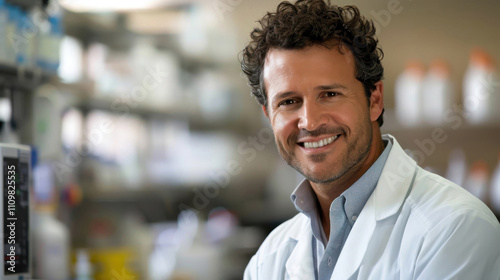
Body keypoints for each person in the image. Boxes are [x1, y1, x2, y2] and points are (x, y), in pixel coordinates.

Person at [239, 0, 500, 279]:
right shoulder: (269, 258)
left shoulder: (455, 229)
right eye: (289, 101)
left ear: (374, 100)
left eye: (330, 94)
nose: (310, 122)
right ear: (269, 116)